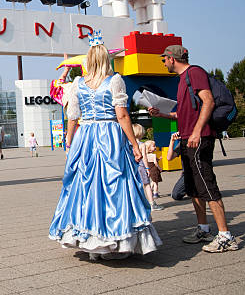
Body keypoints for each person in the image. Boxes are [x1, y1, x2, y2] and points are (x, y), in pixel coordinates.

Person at [49, 34, 161, 260]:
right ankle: (115, 239)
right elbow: (121, 115)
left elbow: (72, 117)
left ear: (89, 60)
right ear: (106, 59)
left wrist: (70, 142)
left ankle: (90, 240)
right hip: (110, 135)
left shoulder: (78, 84)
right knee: (116, 184)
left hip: (86, 136)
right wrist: (134, 145)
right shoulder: (114, 81)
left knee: (86, 186)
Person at [149, 45, 237, 253]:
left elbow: (208, 101)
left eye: (164, 59)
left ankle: (225, 236)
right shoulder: (182, 80)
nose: (163, 63)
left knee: (206, 184)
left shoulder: (194, 73)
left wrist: (197, 132)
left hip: (200, 138)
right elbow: (185, 113)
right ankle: (203, 229)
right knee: (193, 187)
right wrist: (161, 115)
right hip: (188, 139)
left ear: (172, 58)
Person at [132, 124, 163, 212]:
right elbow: (144, 158)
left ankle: (137, 205)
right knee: (147, 185)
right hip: (141, 167)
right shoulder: (142, 145)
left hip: (132, 166)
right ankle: (151, 203)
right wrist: (147, 168)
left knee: (135, 185)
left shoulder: (129, 144)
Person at [167, 132, 187, 201]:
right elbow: (169, 157)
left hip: (199, 172)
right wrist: (172, 141)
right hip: (187, 174)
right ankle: (190, 188)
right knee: (176, 195)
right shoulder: (183, 143)